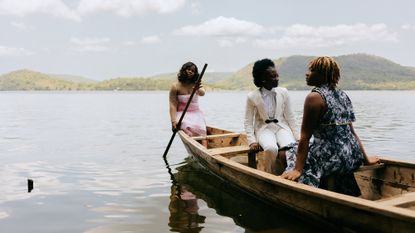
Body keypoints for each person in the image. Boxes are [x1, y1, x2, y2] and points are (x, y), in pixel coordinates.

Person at [281, 56, 380, 196]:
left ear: (323, 75)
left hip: (332, 160)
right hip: (352, 157)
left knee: (292, 149)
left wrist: (297, 170)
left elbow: (305, 137)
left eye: (312, 70)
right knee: (310, 148)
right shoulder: (343, 95)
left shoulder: (314, 97)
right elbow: (352, 132)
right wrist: (366, 159)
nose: (307, 73)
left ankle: (303, 187)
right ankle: (341, 189)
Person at [244, 58, 300, 174]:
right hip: (263, 129)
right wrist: (252, 141)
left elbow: (291, 117)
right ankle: (269, 174)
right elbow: (248, 121)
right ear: (263, 79)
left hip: (281, 128)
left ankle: (289, 174)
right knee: (271, 148)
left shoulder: (283, 92)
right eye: (273, 76)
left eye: (277, 75)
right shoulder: (252, 96)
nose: (277, 79)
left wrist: (298, 137)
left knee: (290, 147)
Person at [169, 62, 208, 147]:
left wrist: (198, 89)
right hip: (182, 113)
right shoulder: (175, 86)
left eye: (193, 71)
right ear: (183, 70)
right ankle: (193, 145)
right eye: (188, 69)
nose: (190, 72)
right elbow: (173, 105)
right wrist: (173, 121)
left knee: (201, 130)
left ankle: (206, 150)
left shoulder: (196, 83)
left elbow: (202, 93)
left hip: (196, 113)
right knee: (184, 124)